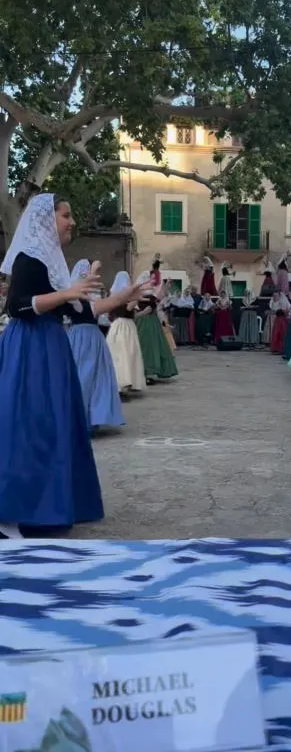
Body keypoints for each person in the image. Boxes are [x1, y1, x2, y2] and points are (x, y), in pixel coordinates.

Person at [0, 193, 104, 539]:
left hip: (51, 347)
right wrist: (67, 293)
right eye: (65, 215)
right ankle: (12, 513)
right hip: (30, 347)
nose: (71, 222)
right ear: (46, 220)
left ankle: (50, 505)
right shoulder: (29, 259)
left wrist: (125, 296)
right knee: (28, 424)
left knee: (55, 423)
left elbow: (82, 312)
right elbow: (17, 307)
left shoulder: (53, 263)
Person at [67, 259, 148, 431]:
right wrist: (95, 268)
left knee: (96, 378)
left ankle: (92, 417)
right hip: (82, 339)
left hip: (92, 338)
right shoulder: (74, 298)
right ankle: (80, 418)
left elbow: (106, 304)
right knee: (84, 377)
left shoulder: (89, 299)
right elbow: (97, 306)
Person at [106, 271, 146, 395]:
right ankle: (120, 385)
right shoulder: (120, 296)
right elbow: (126, 310)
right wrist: (136, 297)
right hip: (123, 327)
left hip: (124, 326)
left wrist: (142, 312)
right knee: (123, 355)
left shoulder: (115, 295)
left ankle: (126, 384)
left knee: (127, 355)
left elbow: (130, 314)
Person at [135, 270, 178, 381]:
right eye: (150, 277)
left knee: (155, 346)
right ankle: (145, 372)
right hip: (144, 321)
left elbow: (159, 297)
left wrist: (166, 285)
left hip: (153, 321)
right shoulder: (139, 292)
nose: (152, 279)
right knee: (146, 347)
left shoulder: (149, 291)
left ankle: (151, 372)